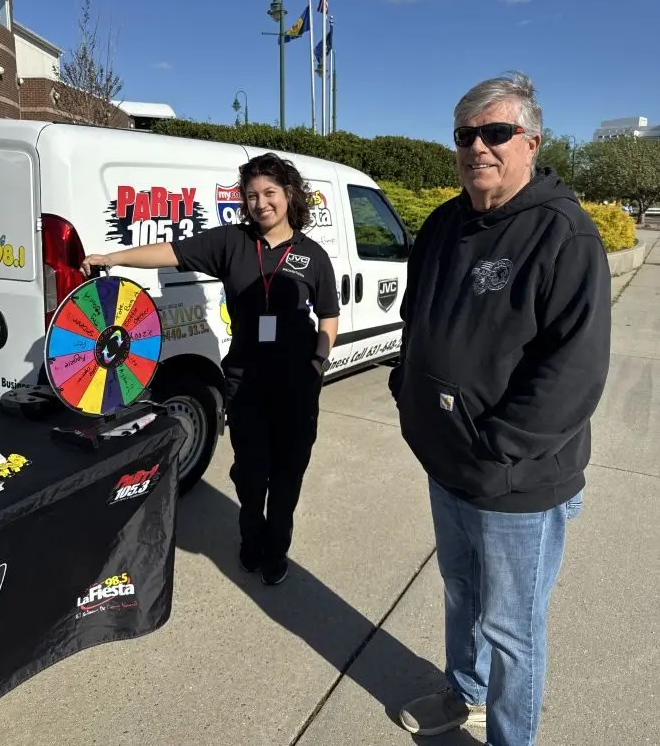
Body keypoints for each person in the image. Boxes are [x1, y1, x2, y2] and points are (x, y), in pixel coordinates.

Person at [389, 72, 611, 745]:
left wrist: (497, 446)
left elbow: (574, 371)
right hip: (446, 462)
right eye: (465, 135)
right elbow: (415, 320)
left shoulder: (562, 233)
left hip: (515, 477)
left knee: (512, 627)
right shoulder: (442, 224)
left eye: (495, 132)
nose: (477, 147)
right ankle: (466, 693)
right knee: (460, 592)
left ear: (530, 143)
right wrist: (408, 392)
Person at [81, 152, 339, 586]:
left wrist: (318, 361)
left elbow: (329, 315)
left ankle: (277, 548)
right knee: (251, 473)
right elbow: (171, 252)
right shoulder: (232, 243)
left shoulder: (313, 255)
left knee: (289, 473)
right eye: (252, 195)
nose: (261, 203)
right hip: (246, 382)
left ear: (289, 193)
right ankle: (251, 538)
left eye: (270, 193)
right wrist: (113, 257)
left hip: (297, 385)